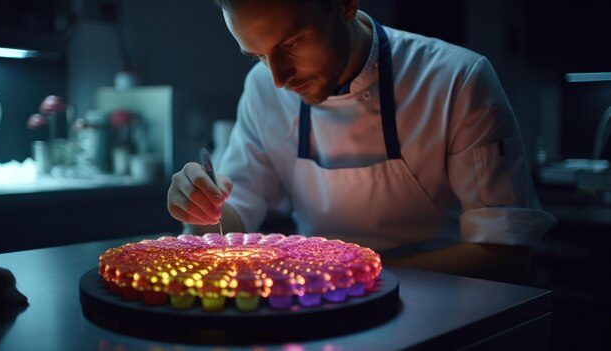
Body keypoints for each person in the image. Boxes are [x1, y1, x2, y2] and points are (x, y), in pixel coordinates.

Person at [167, 0, 556, 283]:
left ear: (345, 4)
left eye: (291, 44)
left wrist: (348, 271)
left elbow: (505, 256)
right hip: (316, 304)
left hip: (444, 302)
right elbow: (235, 214)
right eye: (259, 56)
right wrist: (203, 209)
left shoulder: (458, 80)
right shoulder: (263, 92)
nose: (279, 79)